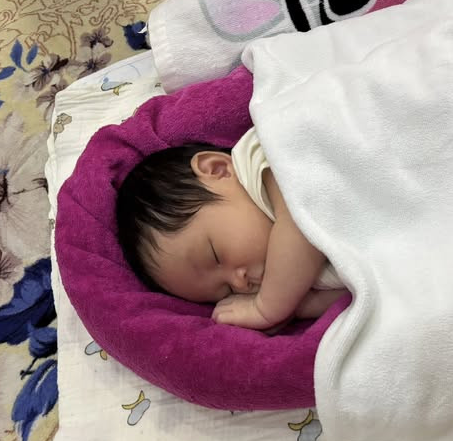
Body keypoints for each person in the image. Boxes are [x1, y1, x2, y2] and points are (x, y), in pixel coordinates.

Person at [116, 127, 348, 330]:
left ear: (217, 170)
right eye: (228, 290)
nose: (240, 283)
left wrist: (266, 309)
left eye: (215, 256)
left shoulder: (262, 164)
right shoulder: (292, 285)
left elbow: (299, 219)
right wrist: (298, 307)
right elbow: (356, 290)